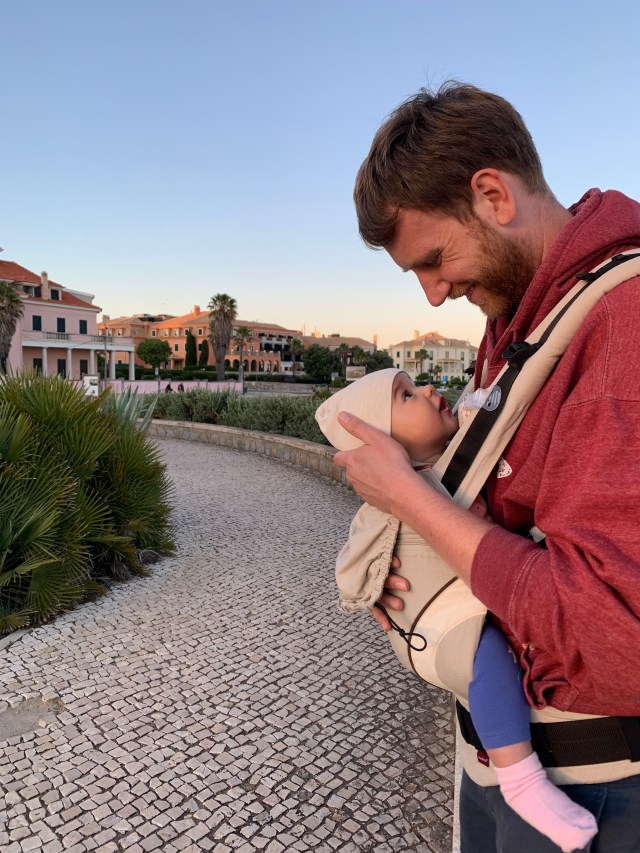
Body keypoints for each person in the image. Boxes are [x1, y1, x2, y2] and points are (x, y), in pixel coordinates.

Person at [334, 82, 640, 852]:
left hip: (597, 786)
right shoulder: (515, 318)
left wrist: (413, 502)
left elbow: (612, 634)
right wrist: (410, 584)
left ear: (494, 194)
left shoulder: (622, 320)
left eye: (434, 261)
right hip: (503, 762)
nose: (434, 295)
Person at [316, 368, 597, 853]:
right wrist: (370, 590)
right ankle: (523, 781)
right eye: (406, 396)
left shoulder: (457, 458)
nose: (428, 390)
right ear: (379, 442)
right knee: (486, 662)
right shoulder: (387, 499)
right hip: (446, 623)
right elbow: (352, 561)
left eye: (416, 384)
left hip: (476, 602)